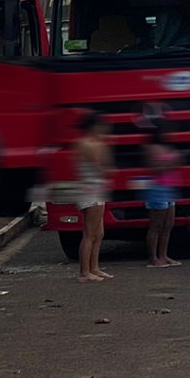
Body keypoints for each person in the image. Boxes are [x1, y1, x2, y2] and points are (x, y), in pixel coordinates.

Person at [75, 113, 113, 283]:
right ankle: (84, 272)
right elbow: (102, 166)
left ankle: (94, 267)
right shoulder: (87, 144)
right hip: (90, 189)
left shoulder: (91, 143)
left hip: (96, 188)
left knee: (99, 232)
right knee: (90, 233)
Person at [142, 120, 181, 268]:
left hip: (169, 186)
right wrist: (169, 164)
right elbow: (152, 167)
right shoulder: (150, 148)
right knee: (156, 225)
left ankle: (163, 255)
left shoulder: (168, 147)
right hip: (156, 188)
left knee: (168, 224)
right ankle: (153, 258)